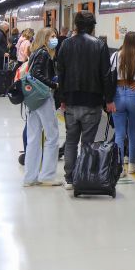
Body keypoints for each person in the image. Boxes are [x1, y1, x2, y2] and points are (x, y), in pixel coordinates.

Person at [54, 11, 114, 190]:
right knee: (87, 143)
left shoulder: (66, 44)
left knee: (71, 141)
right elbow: (106, 75)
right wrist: (109, 100)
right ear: (92, 26)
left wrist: (62, 98)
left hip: (71, 100)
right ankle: (82, 177)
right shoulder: (100, 45)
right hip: (92, 101)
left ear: (76, 25)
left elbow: (61, 73)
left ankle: (69, 178)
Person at [23, 27, 62, 187]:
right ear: (44, 38)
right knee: (52, 136)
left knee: (33, 138)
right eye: (52, 36)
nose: (55, 39)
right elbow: (37, 74)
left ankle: (29, 177)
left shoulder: (34, 53)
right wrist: (54, 84)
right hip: (43, 98)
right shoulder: (44, 53)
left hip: (32, 99)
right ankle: (47, 175)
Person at [110, 31, 135, 176]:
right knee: (133, 132)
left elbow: (107, 73)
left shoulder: (115, 55)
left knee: (119, 133)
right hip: (134, 94)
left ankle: (119, 168)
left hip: (118, 94)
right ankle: (132, 165)